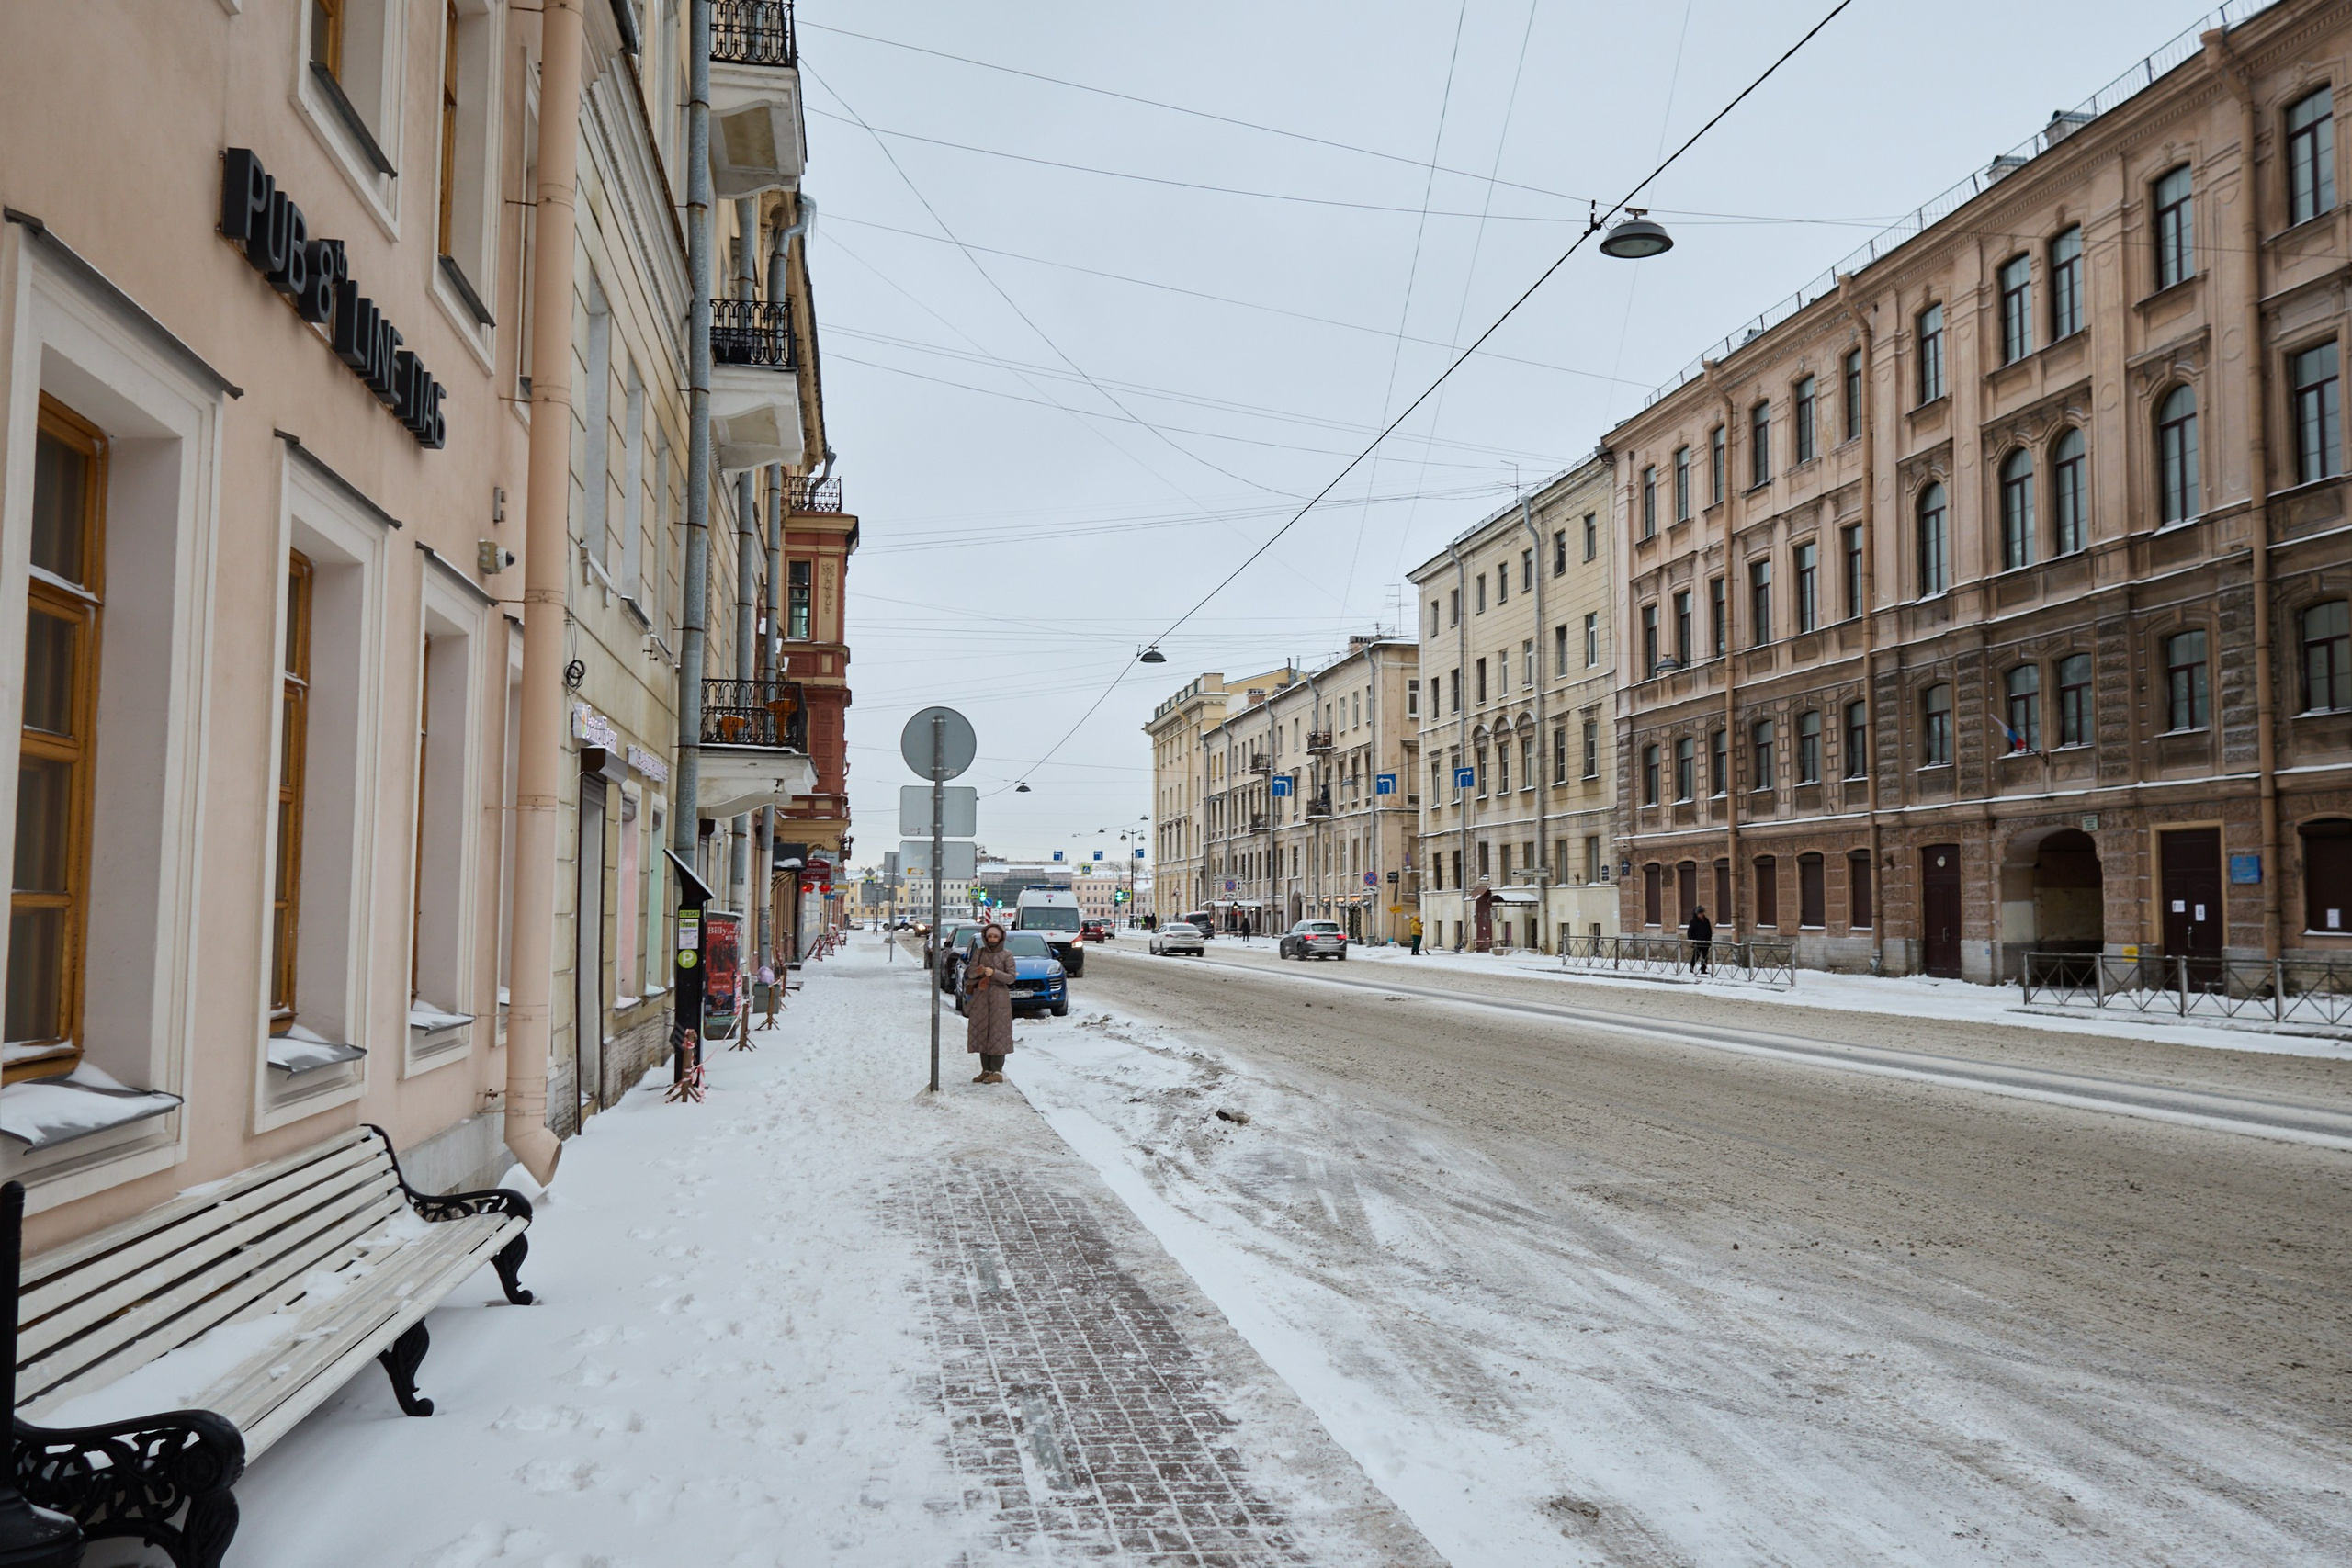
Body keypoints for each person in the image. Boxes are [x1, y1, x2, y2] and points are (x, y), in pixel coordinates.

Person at [961, 922, 1016, 1083]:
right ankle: (986, 1070)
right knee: (981, 1031)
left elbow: (1011, 978)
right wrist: (978, 971)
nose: (992, 939)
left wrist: (994, 973)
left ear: (1001, 938)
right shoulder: (979, 952)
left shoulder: (1007, 955)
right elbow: (970, 973)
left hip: (1000, 998)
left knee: (998, 1033)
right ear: (986, 938)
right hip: (981, 996)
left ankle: (997, 1072)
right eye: (990, 936)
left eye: (995, 936)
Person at [1686, 904, 1713, 974]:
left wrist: (1709, 938)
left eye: (1702, 913)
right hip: (1697, 942)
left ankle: (1703, 969)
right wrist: (1692, 940)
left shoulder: (1706, 920)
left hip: (1706, 941)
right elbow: (1690, 931)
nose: (1701, 915)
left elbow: (1709, 930)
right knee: (1696, 955)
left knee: (1705, 956)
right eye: (1699, 914)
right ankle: (1692, 967)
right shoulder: (1693, 921)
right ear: (1697, 914)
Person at [757, 959, 779, 1029]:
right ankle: (769, 1017)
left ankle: (769, 1018)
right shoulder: (768, 973)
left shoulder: (764, 973)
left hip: (766, 989)